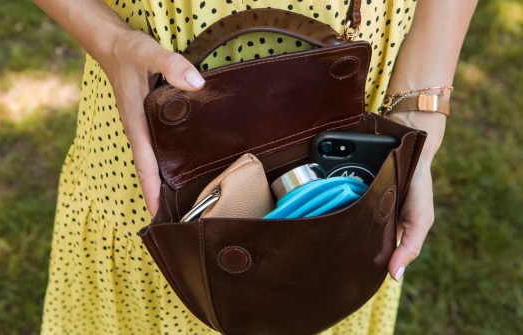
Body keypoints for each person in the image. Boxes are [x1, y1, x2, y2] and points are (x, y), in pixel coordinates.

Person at [32, 0, 477, 334]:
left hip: (358, 99)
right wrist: (109, 40)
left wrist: (418, 113)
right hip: (152, 122)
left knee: (331, 270)